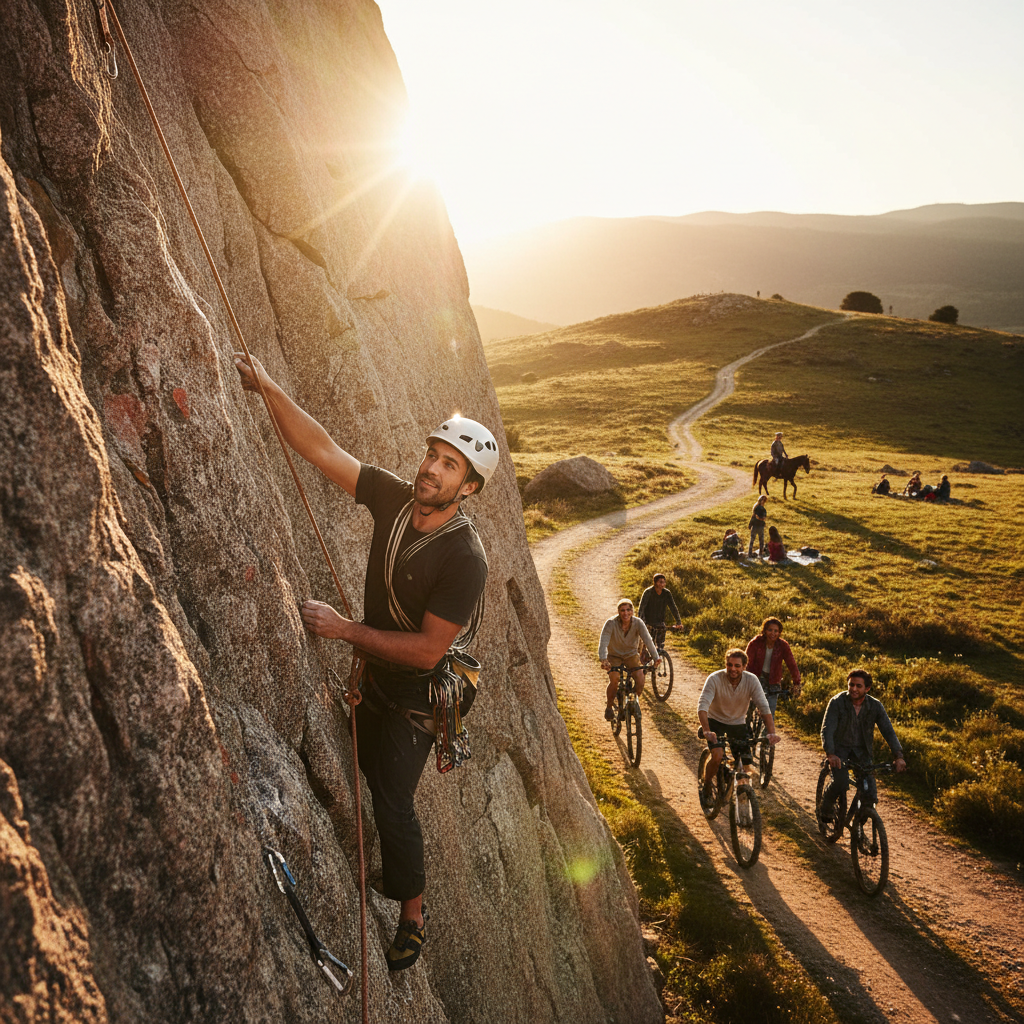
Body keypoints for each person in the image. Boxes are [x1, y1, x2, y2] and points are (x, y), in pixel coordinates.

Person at [234, 353, 497, 972]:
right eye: (433, 454)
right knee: (358, 764)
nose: (431, 467)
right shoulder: (396, 499)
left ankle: (413, 914)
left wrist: (346, 631)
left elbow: (432, 649)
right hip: (375, 675)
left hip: (416, 694)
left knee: (390, 796)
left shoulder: (466, 558)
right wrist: (269, 386)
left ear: (470, 488)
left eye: (449, 465)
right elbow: (324, 451)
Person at [819, 669, 907, 825]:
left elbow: (888, 731)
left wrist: (898, 755)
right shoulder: (837, 702)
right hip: (839, 750)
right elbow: (828, 729)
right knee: (840, 782)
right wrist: (831, 753)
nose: (853, 689)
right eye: (851, 685)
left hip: (862, 752)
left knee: (870, 795)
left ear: (867, 689)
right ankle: (825, 808)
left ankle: (859, 828)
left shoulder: (875, 706)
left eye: (858, 686)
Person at [697, 649, 779, 809]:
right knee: (718, 755)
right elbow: (703, 705)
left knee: (745, 764)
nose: (733, 669)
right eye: (729, 665)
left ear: (744, 666)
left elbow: (764, 706)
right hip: (715, 721)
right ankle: (706, 784)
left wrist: (771, 733)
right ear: (725, 664)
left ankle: (743, 805)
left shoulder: (751, 680)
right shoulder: (714, 679)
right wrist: (707, 730)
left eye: (737, 665)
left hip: (738, 723)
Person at [599, 598, 660, 720]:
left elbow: (648, 640)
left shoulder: (638, 623)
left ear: (632, 611)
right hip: (614, 656)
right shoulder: (611, 623)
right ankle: (609, 707)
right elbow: (603, 642)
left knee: (640, 678)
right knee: (615, 679)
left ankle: (632, 703)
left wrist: (656, 657)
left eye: (628, 610)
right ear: (618, 612)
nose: (625, 613)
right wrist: (604, 659)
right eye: (622, 610)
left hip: (631, 655)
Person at [744, 617, 801, 716]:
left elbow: (791, 664)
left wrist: (796, 682)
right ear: (765, 630)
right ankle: (746, 726)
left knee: (769, 714)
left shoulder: (783, 645)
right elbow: (747, 661)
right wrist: (745, 677)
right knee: (749, 708)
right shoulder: (756, 642)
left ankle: (767, 731)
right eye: (770, 630)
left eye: (776, 631)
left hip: (774, 680)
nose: (773, 633)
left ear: (779, 633)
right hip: (756, 677)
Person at [637, 573, 682, 648]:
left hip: (660, 621)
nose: (663, 584)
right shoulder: (648, 592)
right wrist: (643, 623)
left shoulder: (666, 593)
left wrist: (678, 622)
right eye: (660, 582)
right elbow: (641, 609)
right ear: (655, 583)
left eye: (664, 582)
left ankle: (660, 655)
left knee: (660, 644)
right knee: (648, 644)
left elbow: (673, 607)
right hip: (648, 622)